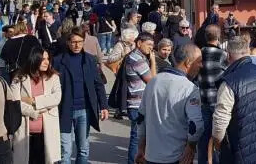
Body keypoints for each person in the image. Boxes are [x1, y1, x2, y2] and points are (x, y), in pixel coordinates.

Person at [136, 44, 204, 164]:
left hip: (151, 155)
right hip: (177, 157)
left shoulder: (153, 82)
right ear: (188, 62)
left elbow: (141, 118)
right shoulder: (190, 89)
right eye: (199, 61)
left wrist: (141, 148)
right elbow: (196, 125)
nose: (201, 65)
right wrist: (191, 147)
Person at [52, 27, 110, 164]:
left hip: (84, 110)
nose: (77, 45)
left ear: (84, 42)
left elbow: (98, 84)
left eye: (80, 41)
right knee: (65, 150)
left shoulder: (90, 60)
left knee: (83, 149)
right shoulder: (58, 61)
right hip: (64, 110)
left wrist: (104, 106)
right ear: (68, 43)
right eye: (73, 42)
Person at [11, 46, 62, 164]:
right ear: (34, 59)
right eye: (43, 59)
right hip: (25, 131)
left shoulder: (53, 77)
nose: (46, 62)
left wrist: (33, 100)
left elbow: (56, 98)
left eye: (48, 59)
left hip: (46, 132)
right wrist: (34, 112)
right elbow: (15, 103)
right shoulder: (19, 78)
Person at [123, 33, 156, 164]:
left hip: (139, 103)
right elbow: (152, 81)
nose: (151, 48)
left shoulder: (138, 57)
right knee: (137, 138)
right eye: (148, 45)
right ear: (139, 43)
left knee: (140, 137)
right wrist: (153, 61)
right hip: (137, 104)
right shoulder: (137, 59)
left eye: (152, 45)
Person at [198, 25, 227, 164]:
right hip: (218, 100)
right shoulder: (222, 54)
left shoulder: (199, 52)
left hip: (203, 99)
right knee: (218, 137)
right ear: (218, 37)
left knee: (204, 137)